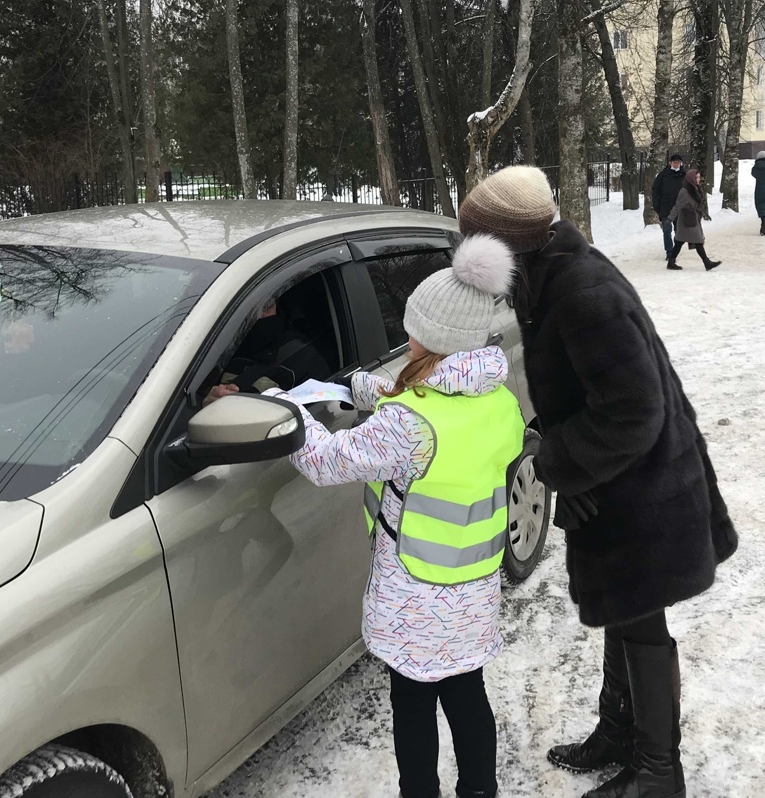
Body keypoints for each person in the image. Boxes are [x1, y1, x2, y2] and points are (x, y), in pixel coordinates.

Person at [458, 168, 738, 798]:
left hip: (643, 487)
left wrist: (556, 462)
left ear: (507, 242)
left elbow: (634, 411)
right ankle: (619, 733)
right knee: (627, 608)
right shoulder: (550, 277)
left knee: (641, 620)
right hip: (619, 481)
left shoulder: (579, 291)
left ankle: (658, 775)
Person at [278, 234, 524, 798]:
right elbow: (425, 399)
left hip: (415, 597)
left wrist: (293, 412)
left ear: (432, 338)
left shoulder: (408, 426)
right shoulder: (495, 397)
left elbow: (326, 460)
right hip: (472, 587)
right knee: (467, 698)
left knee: (413, 709)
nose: (405, 334)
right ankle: (480, 791)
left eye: (412, 327)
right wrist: (354, 388)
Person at [666, 170, 721, 271]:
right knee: (697, 240)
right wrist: (670, 218)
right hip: (687, 220)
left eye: (699, 177)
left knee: (680, 241)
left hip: (692, 218)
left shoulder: (694, 188)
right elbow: (677, 206)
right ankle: (707, 262)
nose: (698, 179)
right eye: (697, 178)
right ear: (691, 178)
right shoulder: (685, 191)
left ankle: (671, 261)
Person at [650, 155, 687, 259]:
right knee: (667, 230)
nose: (676, 164)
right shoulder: (663, 175)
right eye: (674, 162)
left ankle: (675, 249)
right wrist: (656, 205)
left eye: (678, 162)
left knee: (678, 231)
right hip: (665, 207)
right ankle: (669, 252)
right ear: (670, 163)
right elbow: (655, 190)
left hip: (679, 208)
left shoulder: (684, 175)